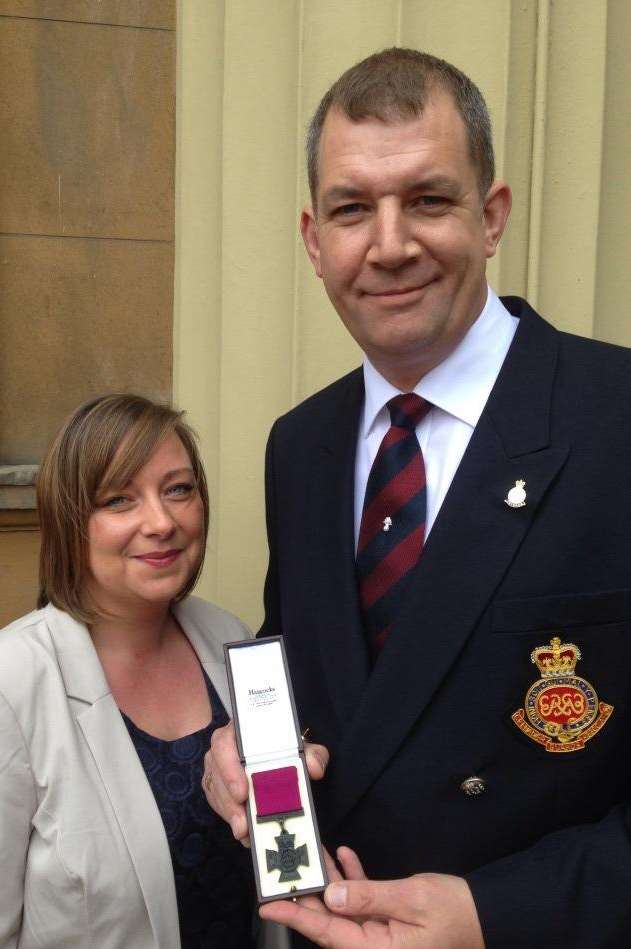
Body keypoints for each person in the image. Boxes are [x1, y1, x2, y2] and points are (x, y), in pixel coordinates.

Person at [204, 48, 631, 948]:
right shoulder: (302, 445)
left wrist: (495, 913)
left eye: (428, 200)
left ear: (491, 216)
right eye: (353, 209)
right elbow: (320, 683)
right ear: (315, 240)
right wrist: (247, 753)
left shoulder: (615, 419)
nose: (389, 244)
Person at [0, 394, 256, 949]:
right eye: (119, 500)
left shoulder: (230, 637)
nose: (161, 522)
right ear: (68, 520)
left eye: (178, 489)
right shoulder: (13, 679)